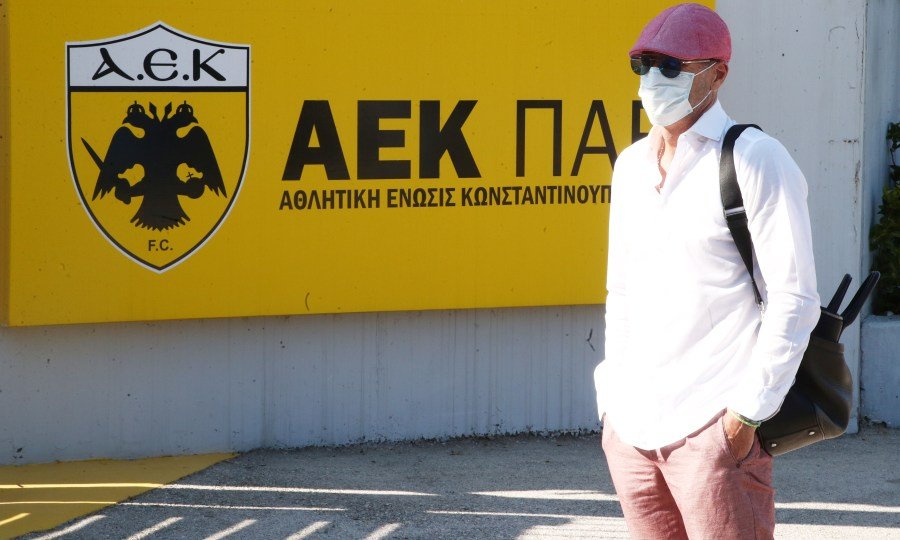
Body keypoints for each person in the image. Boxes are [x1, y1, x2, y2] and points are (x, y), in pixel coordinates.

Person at [593, 3, 820, 539]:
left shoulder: (756, 158)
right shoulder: (630, 166)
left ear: (717, 75)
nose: (654, 79)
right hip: (633, 430)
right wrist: (611, 404)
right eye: (643, 65)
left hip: (713, 425)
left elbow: (794, 298)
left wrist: (746, 416)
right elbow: (621, 289)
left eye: (672, 67)